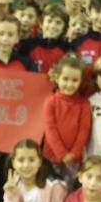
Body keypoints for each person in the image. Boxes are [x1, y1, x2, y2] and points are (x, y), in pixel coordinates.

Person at [42, 53, 90, 183]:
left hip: (73, 159)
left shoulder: (84, 104)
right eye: (65, 79)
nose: (69, 84)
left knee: (67, 190)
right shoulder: (50, 102)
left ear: (81, 81)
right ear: (57, 78)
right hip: (51, 156)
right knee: (51, 190)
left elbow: (83, 131)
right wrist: (62, 154)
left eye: (74, 80)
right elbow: (50, 129)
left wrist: (73, 154)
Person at [19, 2, 69, 73]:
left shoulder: (67, 48)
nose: (52, 26)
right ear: (41, 24)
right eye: (49, 21)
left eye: (58, 23)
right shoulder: (28, 45)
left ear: (64, 27)